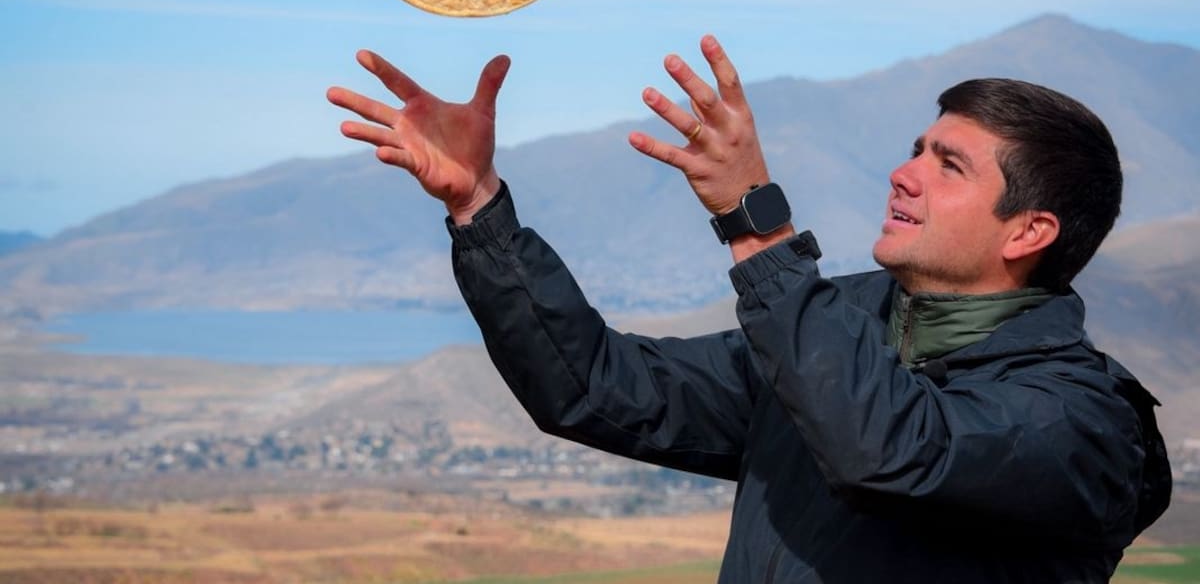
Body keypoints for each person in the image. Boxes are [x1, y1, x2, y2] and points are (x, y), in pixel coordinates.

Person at [327, 35, 1171, 583]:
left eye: (949, 166)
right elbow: (595, 387)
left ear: (1030, 230)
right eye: (915, 149)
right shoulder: (834, 330)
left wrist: (754, 226)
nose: (903, 173)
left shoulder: (1077, 420)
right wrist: (481, 208)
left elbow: (887, 452)